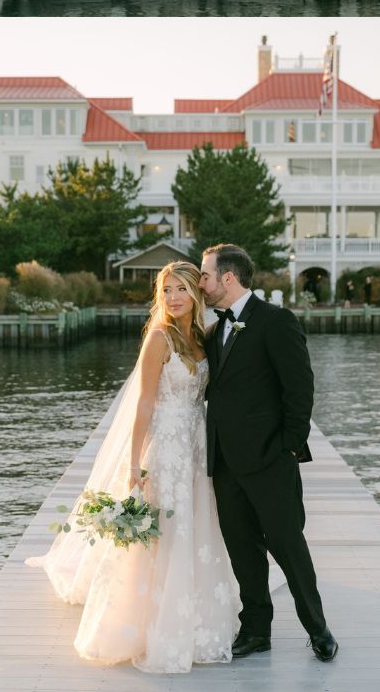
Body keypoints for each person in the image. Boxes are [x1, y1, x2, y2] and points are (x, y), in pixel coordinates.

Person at [27, 262, 239, 672]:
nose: (174, 297)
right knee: (163, 531)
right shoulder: (159, 337)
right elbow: (143, 402)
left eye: (181, 289)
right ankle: (147, 621)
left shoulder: (202, 337)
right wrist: (133, 463)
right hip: (165, 447)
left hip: (197, 447)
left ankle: (198, 615)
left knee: (197, 525)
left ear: (196, 293)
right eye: (167, 290)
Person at [199, 245, 338, 665]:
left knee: (288, 547)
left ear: (228, 278)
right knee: (243, 550)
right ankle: (257, 631)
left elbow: (300, 388)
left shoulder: (276, 322)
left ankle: (318, 629)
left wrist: (289, 448)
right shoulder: (212, 330)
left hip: (269, 460)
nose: (201, 283)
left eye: (205, 275)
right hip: (224, 463)